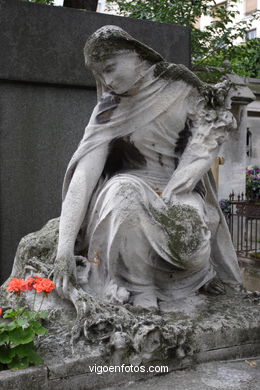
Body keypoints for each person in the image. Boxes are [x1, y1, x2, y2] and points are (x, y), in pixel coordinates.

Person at [53, 25, 242, 310]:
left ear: (134, 54)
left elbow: (210, 131)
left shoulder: (181, 86)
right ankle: (140, 290)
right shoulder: (109, 109)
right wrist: (64, 247)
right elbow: (85, 174)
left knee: (190, 239)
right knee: (122, 194)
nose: (107, 80)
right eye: (100, 74)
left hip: (177, 186)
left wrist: (187, 175)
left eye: (110, 68)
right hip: (129, 182)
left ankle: (181, 285)